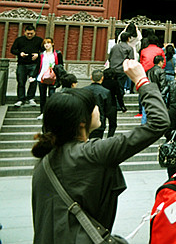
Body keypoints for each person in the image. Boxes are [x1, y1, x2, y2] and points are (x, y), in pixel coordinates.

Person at [31, 58, 168, 243]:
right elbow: (158, 122)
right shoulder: (92, 153)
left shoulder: (45, 159)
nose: (98, 109)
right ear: (82, 122)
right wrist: (142, 81)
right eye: (93, 106)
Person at [11, 24, 43, 107]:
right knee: (21, 82)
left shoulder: (39, 40)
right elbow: (13, 50)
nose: (29, 35)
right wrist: (20, 53)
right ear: (24, 32)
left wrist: (37, 55)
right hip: (22, 64)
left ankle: (30, 98)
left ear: (35, 33)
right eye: (28, 33)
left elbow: (44, 52)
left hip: (34, 64)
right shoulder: (19, 40)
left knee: (33, 82)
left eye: (31, 33)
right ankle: (20, 99)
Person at [35, 38, 62, 120]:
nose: (46, 45)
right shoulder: (41, 54)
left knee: (52, 96)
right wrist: (33, 76)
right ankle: (42, 112)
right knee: (42, 97)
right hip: (42, 77)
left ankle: (51, 114)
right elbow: (38, 66)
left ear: (52, 44)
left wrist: (55, 69)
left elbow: (61, 65)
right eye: (45, 43)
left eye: (48, 43)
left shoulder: (57, 54)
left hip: (52, 77)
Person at [106, 31, 134, 112]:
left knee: (112, 88)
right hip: (122, 70)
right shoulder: (129, 48)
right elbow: (130, 60)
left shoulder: (114, 47)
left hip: (113, 70)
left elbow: (110, 58)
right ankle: (119, 104)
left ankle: (112, 103)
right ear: (128, 39)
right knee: (120, 88)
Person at [83, 70, 112, 139]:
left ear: (91, 78)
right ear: (102, 78)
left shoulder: (84, 90)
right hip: (99, 122)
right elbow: (108, 109)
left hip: (86, 121)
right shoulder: (106, 92)